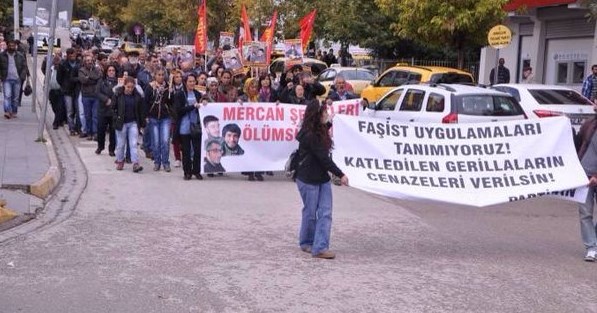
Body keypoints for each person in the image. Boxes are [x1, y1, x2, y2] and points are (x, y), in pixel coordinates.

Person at [295, 99, 349, 259]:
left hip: (321, 178)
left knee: (325, 212)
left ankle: (317, 246)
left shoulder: (317, 130)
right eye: (324, 112)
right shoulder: (310, 135)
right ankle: (308, 243)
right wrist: (341, 174)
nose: (327, 114)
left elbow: (324, 128)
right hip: (308, 178)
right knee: (311, 213)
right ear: (317, 115)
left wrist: (334, 120)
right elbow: (324, 159)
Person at [173, 73, 205, 181]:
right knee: (186, 151)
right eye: (190, 81)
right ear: (185, 82)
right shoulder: (180, 94)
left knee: (197, 150)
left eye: (193, 81)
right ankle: (187, 172)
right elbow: (178, 110)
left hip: (195, 125)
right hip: (184, 126)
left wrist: (204, 103)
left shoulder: (197, 93)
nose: (192, 83)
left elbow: (201, 107)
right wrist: (192, 106)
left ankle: (197, 171)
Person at [576, 103, 597, 261]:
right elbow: (576, 145)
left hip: (594, 176)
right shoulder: (589, 123)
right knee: (585, 213)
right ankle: (591, 247)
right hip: (584, 175)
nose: (594, 103)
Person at [112, 77, 145, 172]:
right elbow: (112, 108)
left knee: (133, 143)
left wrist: (142, 123)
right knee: (121, 144)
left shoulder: (137, 96)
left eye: (132, 87)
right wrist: (116, 117)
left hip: (133, 122)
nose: (130, 89)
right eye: (128, 87)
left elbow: (140, 110)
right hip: (121, 122)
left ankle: (135, 163)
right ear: (124, 86)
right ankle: (120, 160)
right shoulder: (118, 94)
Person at [145, 68, 173, 172]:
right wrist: (146, 116)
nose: (161, 77)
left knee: (165, 141)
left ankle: (166, 162)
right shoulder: (150, 87)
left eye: (162, 75)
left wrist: (171, 92)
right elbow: (146, 102)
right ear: (155, 76)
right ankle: (157, 162)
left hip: (165, 117)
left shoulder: (168, 86)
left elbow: (171, 102)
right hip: (153, 117)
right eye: (159, 75)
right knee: (155, 142)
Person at [0, 39, 29, 119]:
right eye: (10, 45)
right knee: (7, 96)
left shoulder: (20, 55)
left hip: (17, 79)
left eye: (13, 46)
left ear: (15, 46)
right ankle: (7, 111)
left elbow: (24, 67)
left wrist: (22, 77)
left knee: (15, 98)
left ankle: (14, 111)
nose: (11, 47)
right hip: (6, 79)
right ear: (7, 46)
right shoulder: (2, 55)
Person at [95, 64, 118, 157]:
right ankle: (100, 146)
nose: (111, 72)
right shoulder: (102, 81)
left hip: (113, 110)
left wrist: (112, 101)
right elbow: (97, 92)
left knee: (113, 131)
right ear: (106, 72)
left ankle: (111, 149)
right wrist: (106, 99)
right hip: (103, 108)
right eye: (109, 70)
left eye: (113, 70)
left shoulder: (118, 82)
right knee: (101, 130)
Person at [79, 54, 102, 139]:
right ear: (84, 62)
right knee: (87, 115)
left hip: (95, 95)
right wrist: (92, 79)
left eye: (91, 60)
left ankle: (95, 132)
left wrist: (89, 77)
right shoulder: (81, 70)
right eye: (87, 60)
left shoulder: (97, 69)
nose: (89, 62)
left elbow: (99, 78)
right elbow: (83, 80)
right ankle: (89, 132)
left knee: (95, 115)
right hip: (86, 96)